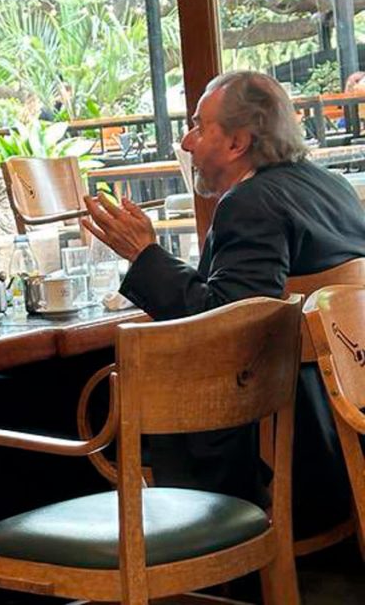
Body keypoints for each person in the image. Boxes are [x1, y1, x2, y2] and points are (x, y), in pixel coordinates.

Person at [83, 70, 365, 535]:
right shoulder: (331, 187)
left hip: (268, 451)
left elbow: (230, 328)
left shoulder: (251, 203)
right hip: (337, 435)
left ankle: (142, 551)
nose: (186, 142)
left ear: (237, 142)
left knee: (81, 396)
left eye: (198, 126)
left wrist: (144, 255)